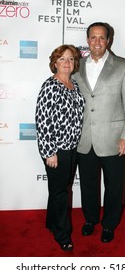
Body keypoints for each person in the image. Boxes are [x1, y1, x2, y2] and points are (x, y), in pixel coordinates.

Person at [74, 22, 125, 243]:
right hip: (85, 138)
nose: (97, 42)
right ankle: (90, 219)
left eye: (102, 37)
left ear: (108, 40)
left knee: (114, 186)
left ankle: (109, 225)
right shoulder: (76, 66)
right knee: (89, 183)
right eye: (93, 37)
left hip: (114, 138)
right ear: (88, 40)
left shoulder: (123, 66)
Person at [35, 45, 85, 251]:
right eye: (62, 59)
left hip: (72, 148)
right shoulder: (50, 86)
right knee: (60, 193)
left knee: (59, 190)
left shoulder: (73, 85)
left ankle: (51, 222)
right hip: (57, 150)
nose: (67, 63)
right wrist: (49, 152)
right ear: (54, 62)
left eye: (71, 59)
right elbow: (43, 121)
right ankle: (62, 234)